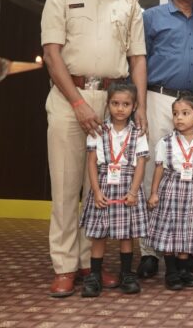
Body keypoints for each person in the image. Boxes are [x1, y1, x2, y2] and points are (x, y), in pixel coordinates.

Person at [41, 0, 147, 298]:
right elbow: (52, 53)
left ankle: (91, 264)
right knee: (66, 186)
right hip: (69, 98)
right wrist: (77, 103)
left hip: (115, 102)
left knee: (101, 186)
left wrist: (139, 108)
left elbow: (137, 58)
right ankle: (65, 266)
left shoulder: (129, 3)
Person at [139, 0, 193, 278]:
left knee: (192, 175)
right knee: (155, 172)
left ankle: (184, 249)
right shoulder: (152, 17)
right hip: (160, 99)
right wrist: (139, 102)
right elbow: (138, 61)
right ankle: (149, 251)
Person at [79, 84, 149, 297]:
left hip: (128, 187)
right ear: (108, 104)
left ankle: (126, 274)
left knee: (126, 234)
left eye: (126, 104)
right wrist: (96, 191)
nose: (120, 108)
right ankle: (95, 275)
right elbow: (91, 163)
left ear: (134, 106)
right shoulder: (98, 131)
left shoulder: (138, 133)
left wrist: (134, 192)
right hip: (103, 186)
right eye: (115, 103)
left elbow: (141, 164)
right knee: (98, 234)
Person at [146, 94, 193, 290]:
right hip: (170, 189)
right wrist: (154, 193)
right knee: (169, 230)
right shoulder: (165, 142)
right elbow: (159, 168)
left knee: (186, 231)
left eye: (185, 113)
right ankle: (171, 271)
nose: (179, 118)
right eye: (175, 114)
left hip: (192, 192)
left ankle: (183, 270)